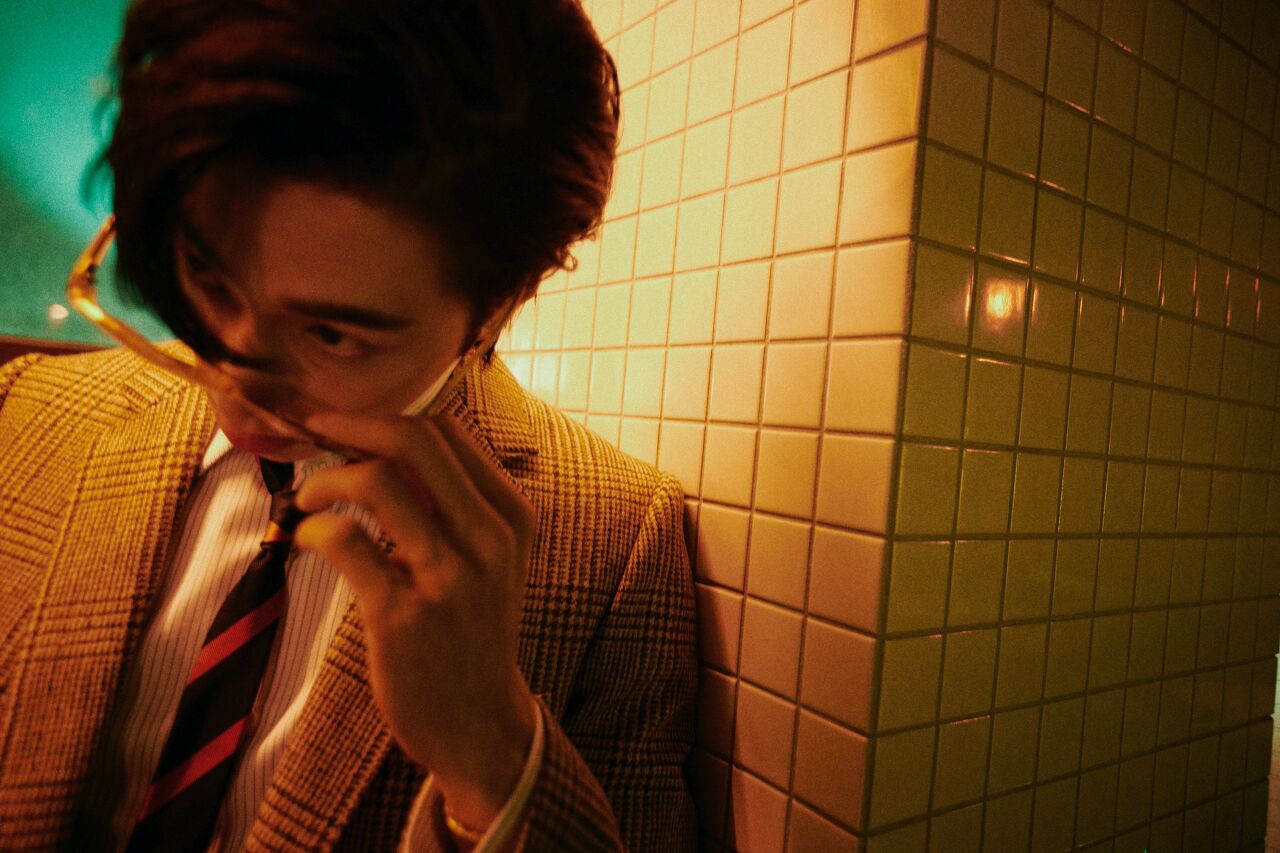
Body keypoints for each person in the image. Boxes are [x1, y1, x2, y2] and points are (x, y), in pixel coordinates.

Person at [0, 0, 697, 850]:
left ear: (500, 302)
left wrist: (493, 754)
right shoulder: (28, 413)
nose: (231, 384)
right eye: (207, 277)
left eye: (331, 334)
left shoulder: (616, 539)